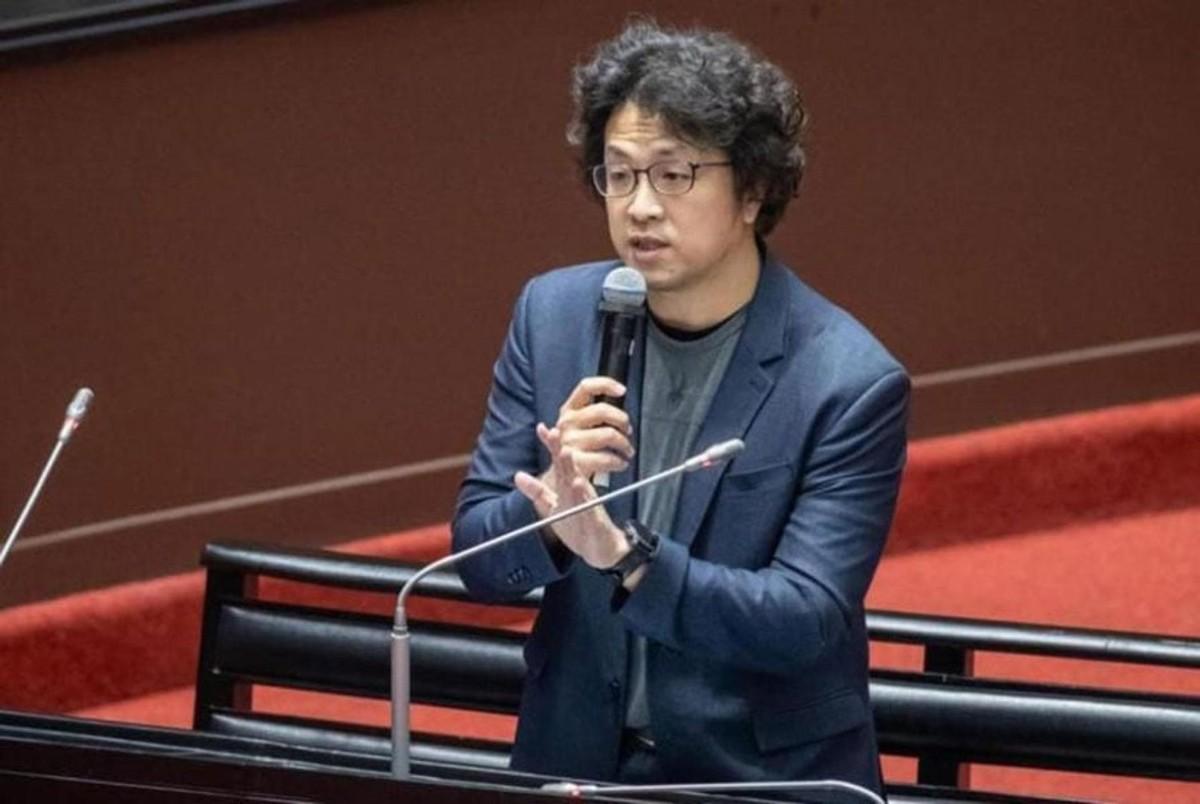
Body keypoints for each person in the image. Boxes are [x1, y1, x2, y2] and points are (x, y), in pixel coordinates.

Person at [451, 19, 908, 795]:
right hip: (576, 765)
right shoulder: (552, 317)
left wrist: (624, 557)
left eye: (673, 175)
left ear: (753, 190)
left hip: (755, 778)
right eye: (619, 174)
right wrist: (551, 519)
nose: (639, 207)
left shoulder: (847, 380)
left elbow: (803, 619)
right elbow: (476, 558)